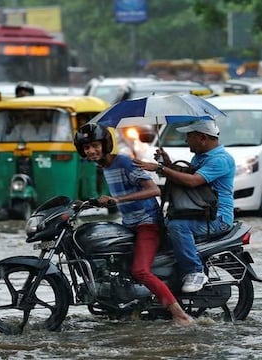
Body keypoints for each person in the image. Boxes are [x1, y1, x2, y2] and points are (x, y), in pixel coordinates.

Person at [73, 123, 194, 326]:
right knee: (118, 265)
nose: (91, 151)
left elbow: (154, 189)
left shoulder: (123, 162)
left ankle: (181, 315)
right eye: (86, 148)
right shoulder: (105, 167)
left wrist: (117, 200)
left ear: (105, 144)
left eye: (95, 145)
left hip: (148, 223)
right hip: (129, 224)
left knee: (140, 271)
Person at [134, 120, 235, 293]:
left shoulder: (221, 160)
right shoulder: (201, 157)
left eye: (189, 136)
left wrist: (160, 168)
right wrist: (167, 163)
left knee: (177, 226)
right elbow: (186, 175)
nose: (186, 140)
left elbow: (193, 181)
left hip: (217, 218)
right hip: (198, 212)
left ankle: (195, 271)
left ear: (202, 138)